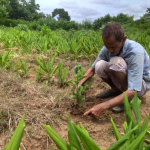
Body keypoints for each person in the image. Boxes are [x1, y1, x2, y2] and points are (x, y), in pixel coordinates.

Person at [75, 22, 150, 117]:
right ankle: (115, 90)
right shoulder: (107, 48)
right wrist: (78, 87)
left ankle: (128, 100)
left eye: (113, 47)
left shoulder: (135, 52)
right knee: (99, 65)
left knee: (115, 62)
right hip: (125, 81)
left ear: (123, 39)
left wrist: (103, 106)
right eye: (107, 47)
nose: (109, 51)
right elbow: (92, 69)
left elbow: (133, 90)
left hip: (139, 86)